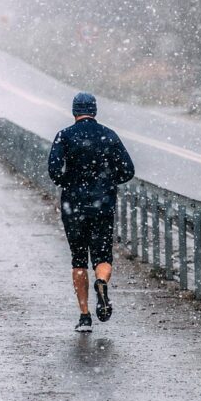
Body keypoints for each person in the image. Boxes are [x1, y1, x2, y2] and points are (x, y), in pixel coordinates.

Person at [48, 92, 135, 332]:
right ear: (94, 111)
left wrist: (69, 181)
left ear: (74, 111)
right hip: (103, 205)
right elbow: (128, 170)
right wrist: (107, 182)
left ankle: (84, 316)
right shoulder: (109, 135)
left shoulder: (64, 136)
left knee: (78, 259)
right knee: (102, 256)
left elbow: (53, 170)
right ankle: (101, 281)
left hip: (73, 206)